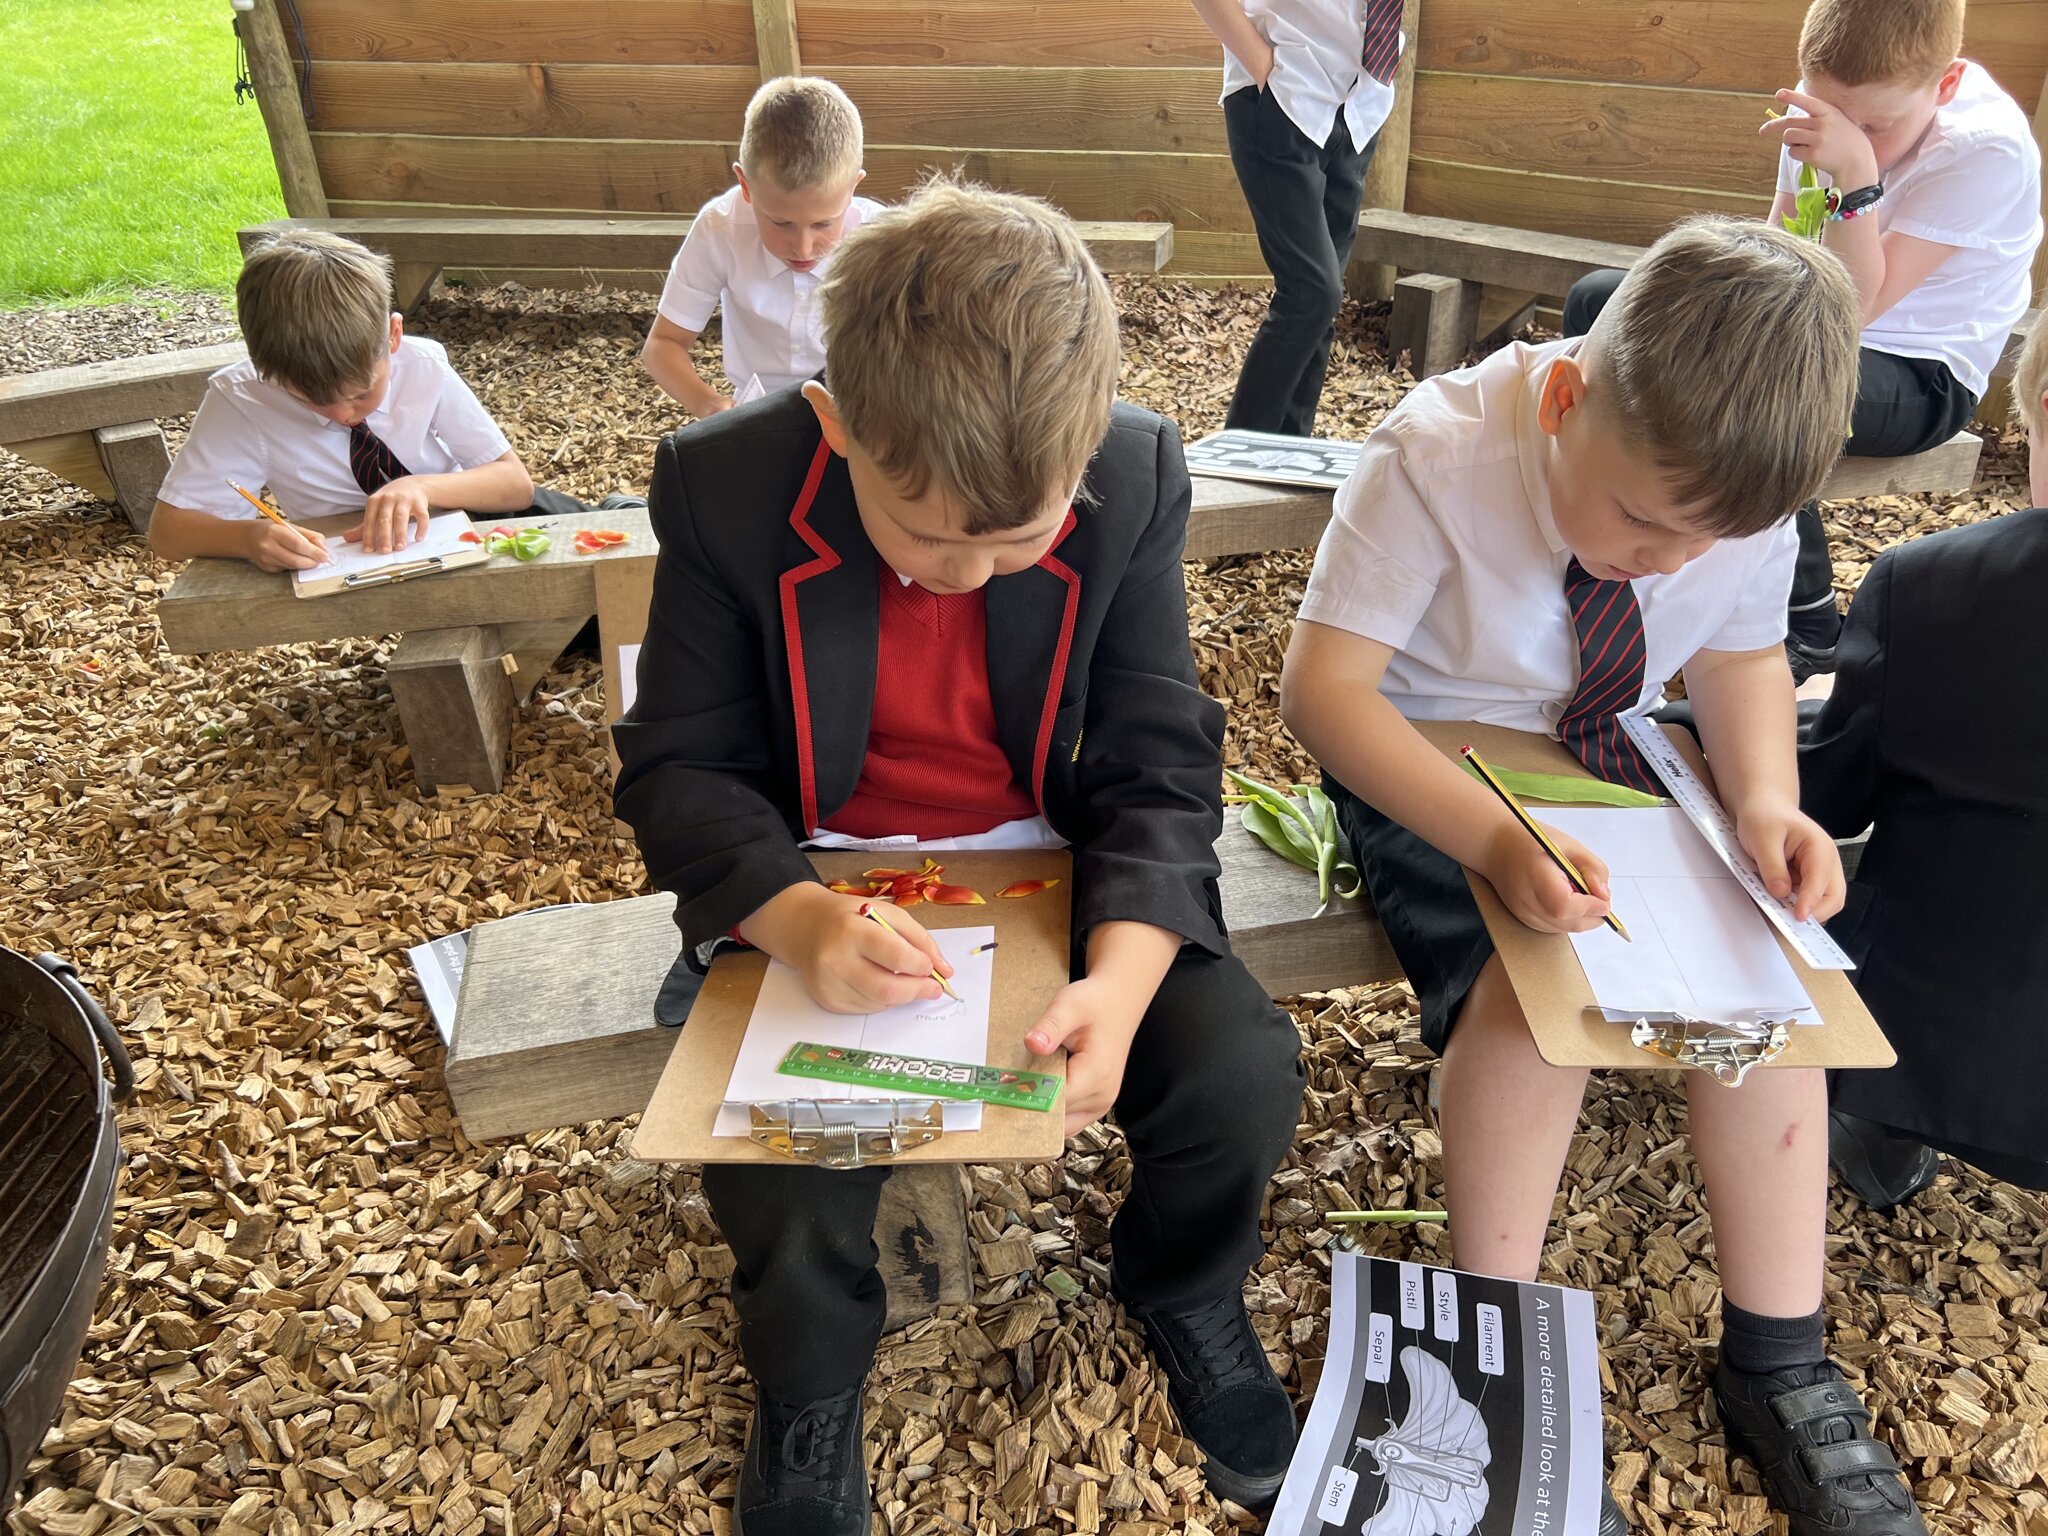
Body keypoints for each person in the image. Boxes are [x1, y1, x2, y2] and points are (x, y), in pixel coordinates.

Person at [614, 179, 1307, 1535]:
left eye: (1023, 539)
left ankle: (1183, 1284)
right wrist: (801, 921)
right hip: (816, 869)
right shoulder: (724, 485)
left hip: (1055, 856)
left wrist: (1120, 978)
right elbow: (681, 767)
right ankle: (809, 1385)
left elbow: (1164, 759)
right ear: (836, 423)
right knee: (782, 1161)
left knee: (1238, 1074)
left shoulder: (1134, 471)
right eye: (931, 538)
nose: (973, 575)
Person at [1281, 218, 1930, 1536]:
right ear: (1567, 397)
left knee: (1771, 994)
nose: (1670, 560)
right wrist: (1495, 840)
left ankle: (1781, 1359)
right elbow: (1326, 696)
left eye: (1707, 539)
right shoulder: (1437, 451)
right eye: (1642, 519)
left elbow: (1744, 658)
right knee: (1536, 1010)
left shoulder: (1722, 484)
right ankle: (1491, 1363)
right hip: (1433, 754)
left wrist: (1765, 801)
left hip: (1617, 749)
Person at [1563, 0, 2041, 681]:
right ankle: (1613, 508)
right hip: (1816, 332)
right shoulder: (1830, 117)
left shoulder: (1984, 150)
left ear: (1947, 86)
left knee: (1758, 381)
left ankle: (1809, 623)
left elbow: (1848, 306)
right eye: (1833, 113)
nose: (1859, 136)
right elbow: (1778, 252)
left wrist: (1854, 178)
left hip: (1921, 369)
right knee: (1605, 304)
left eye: (1877, 125)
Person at [1803, 313, 2048, 1209]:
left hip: (1931, 1055)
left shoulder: (1932, 583)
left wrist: (1695, 726)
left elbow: (1829, 793)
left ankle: (1882, 1131)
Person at [149, 230, 589, 571]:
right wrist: (248, 538)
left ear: (393, 336)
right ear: (266, 370)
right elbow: (169, 533)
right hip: (376, 560)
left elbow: (514, 483)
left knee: (610, 549)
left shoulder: (420, 364)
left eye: (362, 394)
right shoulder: (244, 398)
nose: (343, 413)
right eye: (309, 400)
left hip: (482, 514)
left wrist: (419, 485)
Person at [1191, 0, 1401, 435]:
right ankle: (1239, 466)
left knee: (1320, 308)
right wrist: (1263, 66)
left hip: (1360, 103)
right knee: (1312, 293)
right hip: (1285, 93)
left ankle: (1286, 458)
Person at [640, 76, 883, 417]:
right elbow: (662, 345)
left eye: (824, 224)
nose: (803, 247)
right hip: (757, 411)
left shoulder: (881, 238)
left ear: (853, 188)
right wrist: (708, 403)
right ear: (745, 186)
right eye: (781, 223)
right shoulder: (720, 229)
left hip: (857, 412)